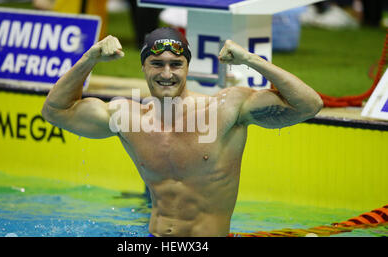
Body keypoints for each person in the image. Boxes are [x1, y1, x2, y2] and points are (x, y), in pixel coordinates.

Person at [41, 27, 323, 237]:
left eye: (176, 64)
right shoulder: (127, 117)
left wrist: (251, 59)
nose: (167, 73)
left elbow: (310, 105)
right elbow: (55, 110)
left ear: (188, 67)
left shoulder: (226, 110)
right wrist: (90, 57)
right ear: (143, 67)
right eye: (157, 64)